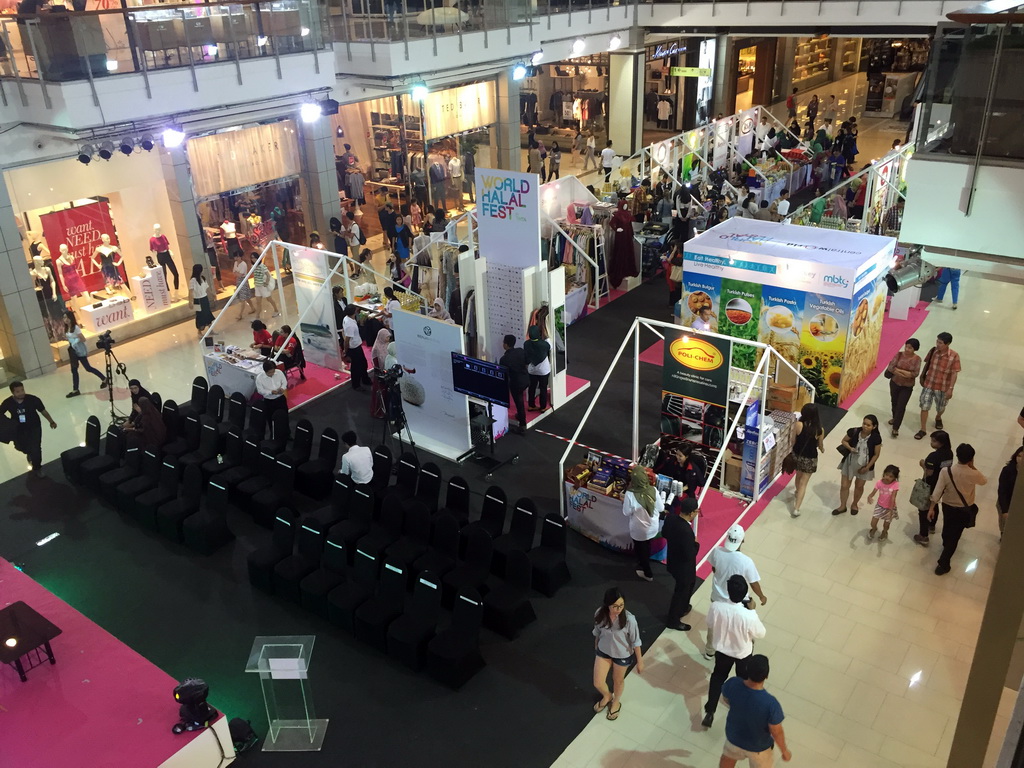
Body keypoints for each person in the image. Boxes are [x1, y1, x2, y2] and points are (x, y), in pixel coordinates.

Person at [702, 575, 767, 728]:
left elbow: (710, 623)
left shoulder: (716, 606)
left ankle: (710, 711)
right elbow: (761, 633)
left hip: (722, 651)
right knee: (744, 681)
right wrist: (753, 611)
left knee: (718, 677)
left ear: (728, 591)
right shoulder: (748, 615)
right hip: (742, 653)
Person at [704, 524, 767, 657]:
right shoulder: (746, 561)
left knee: (714, 626)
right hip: (739, 600)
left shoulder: (716, 551)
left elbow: (714, 569)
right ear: (742, 540)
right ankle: (737, 647)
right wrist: (762, 596)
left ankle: (710, 651)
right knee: (740, 624)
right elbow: (753, 583)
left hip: (717, 597)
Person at [718, 654, 792, 766]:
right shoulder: (771, 704)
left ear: (747, 670)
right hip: (759, 748)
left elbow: (724, 698)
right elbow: (776, 731)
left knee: (726, 762)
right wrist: (784, 751)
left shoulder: (733, 683)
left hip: (733, 739)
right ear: (766, 676)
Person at [929, 443, 988, 575]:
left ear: (957, 456)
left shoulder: (946, 471)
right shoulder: (974, 474)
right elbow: (984, 481)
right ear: (971, 458)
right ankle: (943, 563)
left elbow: (937, 491)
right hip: (964, 508)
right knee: (955, 536)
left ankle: (946, 545)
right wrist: (973, 467)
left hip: (948, 506)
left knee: (947, 527)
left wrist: (932, 508)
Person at [592, 587, 643, 721]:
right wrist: (596, 643)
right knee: (598, 682)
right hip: (603, 651)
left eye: (621, 605)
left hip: (622, 655)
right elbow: (597, 630)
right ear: (607, 605)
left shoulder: (629, 620)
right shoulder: (600, 613)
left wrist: (640, 661)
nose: (618, 609)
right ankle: (607, 695)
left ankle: (616, 702)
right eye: (615, 606)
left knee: (618, 681)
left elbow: (636, 641)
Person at [0, 381, 57, 477]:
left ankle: (37, 467)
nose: (21, 393)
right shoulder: (8, 403)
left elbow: (43, 411)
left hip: (34, 426)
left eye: (22, 390)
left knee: (36, 448)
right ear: (13, 393)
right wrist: (8, 424)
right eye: (18, 391)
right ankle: (29, 453)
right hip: (19, 429)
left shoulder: (33, 399)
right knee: (21, 446)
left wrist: (51, 421)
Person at [833, 414, 882, 516]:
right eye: (864, 423)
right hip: (850, 462)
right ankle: (842, 506)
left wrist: (867, 467)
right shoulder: (854, 431)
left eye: (868, 425)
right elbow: (844, 441)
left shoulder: (876, 438)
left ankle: (855, 504)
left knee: (859, 486)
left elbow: (876, 454)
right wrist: (850, 448)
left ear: (874, 426)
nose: (865, 426)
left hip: (865, 465)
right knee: (844, 485)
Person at [663, 497, 700, 631]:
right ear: (691, 513)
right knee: (681, 592)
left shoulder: (671, 519)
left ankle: (684, 607)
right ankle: (673, 619)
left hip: (673, 560)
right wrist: (696, 543)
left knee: (688, 586)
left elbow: (664, 533)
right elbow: (690, 554)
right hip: (684, 568)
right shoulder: (686, 531)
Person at [622, 464, 663, 582]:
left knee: (641, 549)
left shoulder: (630, 494)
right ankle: (644, 562)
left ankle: (647, 572)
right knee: (647, 545)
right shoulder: (653, 490)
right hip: (652, 527)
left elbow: (626, 512)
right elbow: (660, 508)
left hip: (638, 529)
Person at [916, 332, 960, 440]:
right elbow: (927, 363)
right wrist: (922, 376)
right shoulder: (933, 351)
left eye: (940, 343)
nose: (937, 344)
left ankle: (938, 416)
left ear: (947, 344)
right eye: (937, 341)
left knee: (941, 406)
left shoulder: (954, 356)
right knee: (924, 406)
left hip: (943, 387)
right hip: (929, 383)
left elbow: (954, 373)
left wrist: (950, 389)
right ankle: (923, 429)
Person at [913, 430, 954, 546]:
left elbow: (928, 473)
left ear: (940, 443)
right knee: (934, 504)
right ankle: (932, 525)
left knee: (923, 509)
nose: (931, 442)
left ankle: (923, 535)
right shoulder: (949, 453)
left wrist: (922, 463)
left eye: (933, 441)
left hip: (930, 485)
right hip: (941, 485)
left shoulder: (933, 456)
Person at [791, 402, 824, 517]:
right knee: (804, 483)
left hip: (798, 455)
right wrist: (822, 449)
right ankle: (796, 508)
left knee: (798, 476)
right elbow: (820, 445)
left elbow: (793, 441)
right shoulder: (819, 429)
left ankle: (796, 491)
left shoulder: (798, 425)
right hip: (811, 458)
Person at [63, 311, 107, 397]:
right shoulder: (66, 328)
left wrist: (75, 341)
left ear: (71, 318)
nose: (65, 319)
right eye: (64, 317)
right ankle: (75, 389)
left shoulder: (75, 328)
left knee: (88, 368)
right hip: (73, 351)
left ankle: (104, 378)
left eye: (67, 317)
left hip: (80, 350)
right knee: (74, 370)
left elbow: (83, 339)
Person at [886, 338, 922, 438]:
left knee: (901, 406)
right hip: (894, 382)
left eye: (910, 348)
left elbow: (914, 373)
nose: (907, 349)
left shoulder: (917, 359)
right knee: (894, 402)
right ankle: (894, 418)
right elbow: (891, 368)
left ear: (915, 349)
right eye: (906, 346)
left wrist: (898, 371)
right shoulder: (898, 354)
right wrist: (905, 373)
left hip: (907, 387)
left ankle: (896, 428)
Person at [499, 334, 529, 435]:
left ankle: (522, 424)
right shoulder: (521, 351)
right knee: (520, 400)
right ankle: (520, 417)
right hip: (525, 379)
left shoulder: (504, 359)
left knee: (519, 402)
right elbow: (527, 362)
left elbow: (504, 374)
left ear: (506, 344)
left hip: (516, 383)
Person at [867, 464, 901, 541]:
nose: (887, 477)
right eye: (886, 475)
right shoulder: (879, 482)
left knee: (886, 524)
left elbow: (893, 498)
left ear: (895, 478)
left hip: (890, 508)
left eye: (891, 476)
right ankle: (874, 528)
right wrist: (870, 496)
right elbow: (874, 492)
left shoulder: (895, 485)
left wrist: (891, 510)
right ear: (884, 474)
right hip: (879, 506)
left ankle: (884, 532)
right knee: (873, 522)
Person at [343, 304, 370, 391]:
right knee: (356, 367)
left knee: (362, 364)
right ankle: (356, 384)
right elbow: (347, 339)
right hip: (354, 348)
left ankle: (364, 379)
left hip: (355, 345)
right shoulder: (350, 325)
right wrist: (345, 350)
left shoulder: (346, 319)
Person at [524, 325, 551, 413]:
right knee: (543, 388)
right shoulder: (544, 344)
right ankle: (542, 407)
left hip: (532, 370)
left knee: (532, 388)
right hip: (543, 370)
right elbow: (549, 347)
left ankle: (531, 406)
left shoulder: (526, 344)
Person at [997, 448, 1022, 541]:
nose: (1020, 459)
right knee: (1004, 523)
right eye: (1019, 456)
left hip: (1018, 505)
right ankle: (1003, 535)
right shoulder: (1008, 470)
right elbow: (1002, 490)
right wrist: (1005, 510)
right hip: (1006, 502)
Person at [369, 328, 392, 419]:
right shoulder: (376, 348)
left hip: (388, 372)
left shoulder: (387, 344)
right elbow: (377, 362)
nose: (388, 339)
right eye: (387, 337)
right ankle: (378, 411)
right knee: (380, 392)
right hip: (380, 374)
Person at [190, 264, 215, 336]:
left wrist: (212, 293)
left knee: (208, 313)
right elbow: (190, 291)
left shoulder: (203, 278)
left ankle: (211, 329)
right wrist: (190, 302)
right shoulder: (193, 280)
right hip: (198, 300)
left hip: (204, 298)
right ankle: (199, 331)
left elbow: (206, 288)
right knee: (200, 315)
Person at [231, 253, 257, 320]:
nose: (236, 258)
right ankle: (253, 308)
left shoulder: (243, 264)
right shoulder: (235, 263)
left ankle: (240, 314)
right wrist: (237, 273)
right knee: (246, 297)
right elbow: (234, 273)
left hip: (243, 281)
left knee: (243, 298)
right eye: (235, 257)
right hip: (238, 281)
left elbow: (240, 274)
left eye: (237, 257)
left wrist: (237, 273)